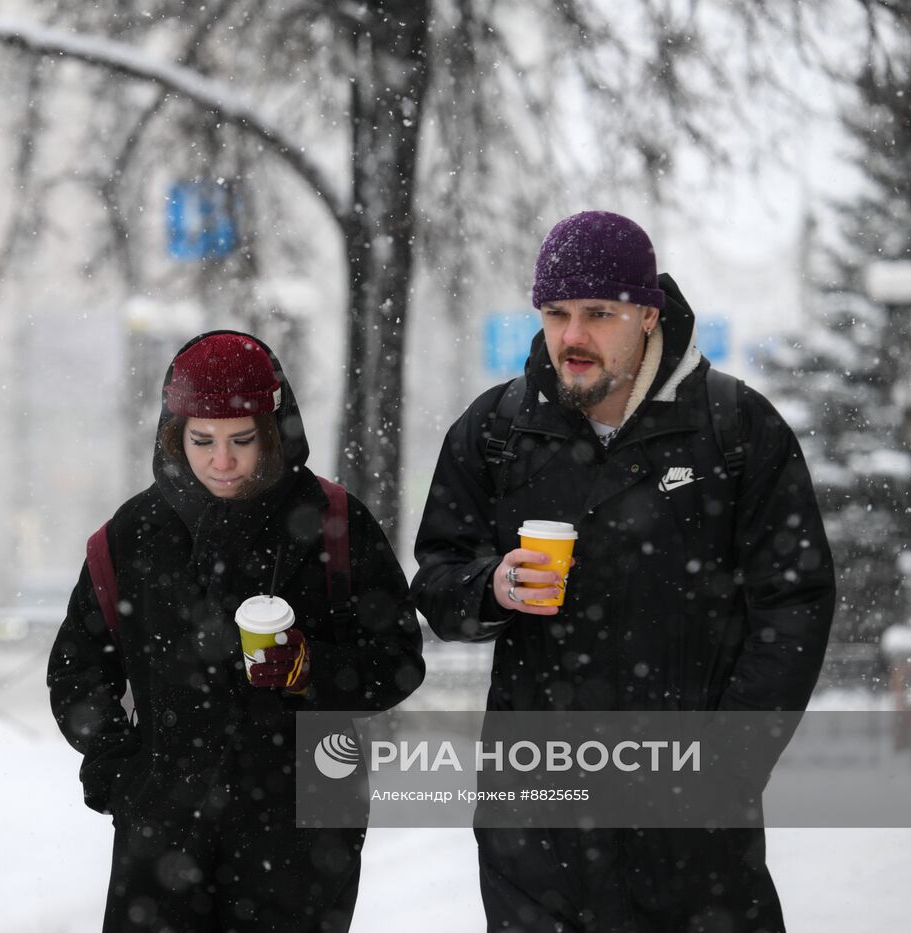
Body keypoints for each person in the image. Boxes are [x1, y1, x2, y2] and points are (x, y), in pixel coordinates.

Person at [411, 211, 836, 932]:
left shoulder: (734, 428)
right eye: (556, 312)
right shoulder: (497, 431)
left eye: (598, 314)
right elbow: (437, 574)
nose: (572, 336)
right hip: (534, 827)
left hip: (689, 826)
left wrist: (728, 763)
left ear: (647, 314)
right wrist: (493, 587)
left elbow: (794, 604)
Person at [48, 330, 425, 933]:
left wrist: (310, 668)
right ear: (175, 436)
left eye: (242, 441)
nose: (221, 462)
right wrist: (121, 772)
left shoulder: (334, 523)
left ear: (274, 435)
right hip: (166, 827)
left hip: (306, 823)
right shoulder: (131, 535)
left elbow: (399, 660)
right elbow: (77, 672)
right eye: (201, 441)